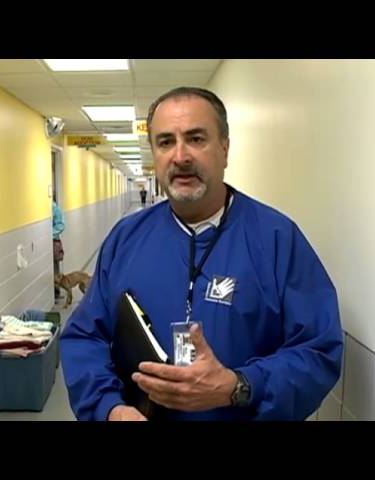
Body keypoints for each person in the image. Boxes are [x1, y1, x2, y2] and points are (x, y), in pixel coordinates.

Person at [60, 87, 343, 421]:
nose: (180, 156)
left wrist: (239, 386)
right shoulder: (126, 239)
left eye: (196, 139)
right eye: (166, 142)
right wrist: (110, 409)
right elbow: (85, 338)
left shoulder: (277, 240)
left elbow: (318, 352)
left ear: (224, 149)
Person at [52, 193, 65, 300]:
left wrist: (49, 234)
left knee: (55, 269)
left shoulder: (54, 208)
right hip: (48, 243)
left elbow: (61, 225)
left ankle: (56, 292)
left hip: (53, 242)